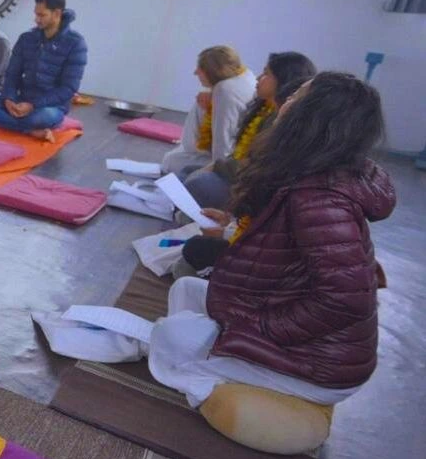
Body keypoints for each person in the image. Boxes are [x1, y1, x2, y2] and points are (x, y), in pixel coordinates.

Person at [148, 72, 395, 411]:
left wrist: (254, 330)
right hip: (292, 322)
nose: (288, 100)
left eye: (300, 96)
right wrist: (232, 225)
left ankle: (228, 386)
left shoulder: (321, 198)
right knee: (185, 290)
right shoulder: (314, 172)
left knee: (169, 338)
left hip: (320, 362)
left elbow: (343, 302)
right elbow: (279, 248)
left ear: (316, 118)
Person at [184, 51, 316, 209]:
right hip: (239, 174)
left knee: (197, 183)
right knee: (185, 172)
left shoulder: (287, 121)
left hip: (253, 188)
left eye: (266, 74)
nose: (259, 78)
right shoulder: (263, 109)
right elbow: (240, 152)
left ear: (284, 81)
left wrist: (217, 166)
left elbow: (260, 167)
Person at [0, 0, 87, 141]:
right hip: (21, 100)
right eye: (36, 14)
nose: (36, 20)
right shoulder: (27, 38)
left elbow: (69, 89)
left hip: (49, 107)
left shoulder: (75, 43)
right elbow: (12, 74)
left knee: (42, 117)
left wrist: (33, 105)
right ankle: (31, 131)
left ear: (57, 13)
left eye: (42, 15)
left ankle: (24, 127)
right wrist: (9, 98)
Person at [161, 46, 257, 178]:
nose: (195, 73)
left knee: (170, 161)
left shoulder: (225, 91)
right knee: (202, 99)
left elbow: (222, 151)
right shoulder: (245, 76)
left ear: (213, 72)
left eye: (200, 69)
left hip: (230, 166)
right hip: (233, 157)